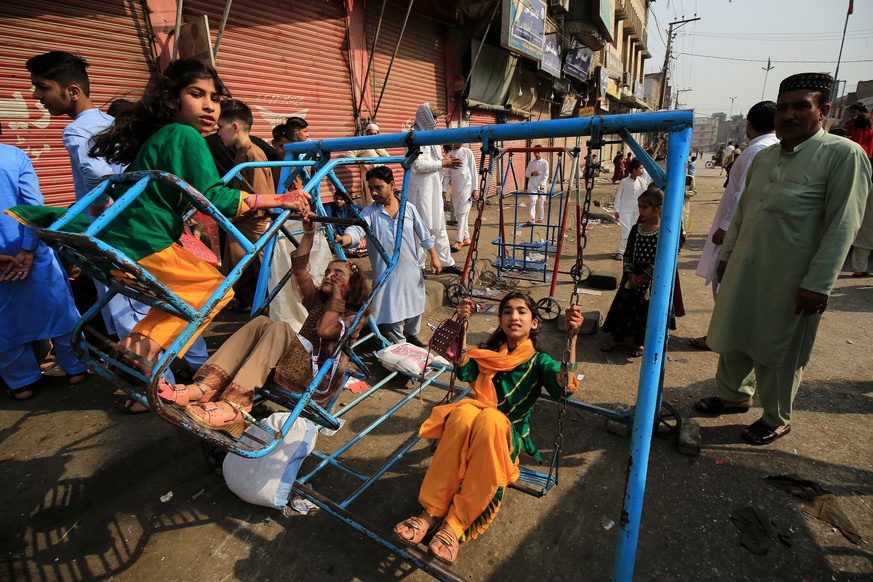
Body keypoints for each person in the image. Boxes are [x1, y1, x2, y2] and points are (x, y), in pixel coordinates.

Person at [6, 59, 311, 377]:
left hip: (134, 231)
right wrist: (280, 198)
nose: (209, 106)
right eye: (197, 94)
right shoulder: (184, 135)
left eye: (216, 99)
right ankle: (141, 350)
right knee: (215, 289)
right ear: (170, 100)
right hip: (144, 234)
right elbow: (214, 197)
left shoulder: (166, 135)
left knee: (185, 293)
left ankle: (142, 351)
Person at [695, 73, 871, 446]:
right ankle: (734, 396)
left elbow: (844, 225)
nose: (788, 114)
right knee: (734, 334)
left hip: (792, 279)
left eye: (800, 106)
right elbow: (742, 213)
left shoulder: (843, 156)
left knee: (780, 349)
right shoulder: (765, 157)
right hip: (745, 266)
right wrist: (727, 256)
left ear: (823, 111)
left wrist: (817, 284)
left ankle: (776, 417)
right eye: (783, 107)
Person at [26, 50, 209, 396]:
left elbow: (96, 174)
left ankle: (157, 388)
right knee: (170, 303)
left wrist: (102, 210)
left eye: (42, 88)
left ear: (72, 91)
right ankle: (200, 369)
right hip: (150, 230)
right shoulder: (111, 124)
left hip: (116, 235)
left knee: (127, 310)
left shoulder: (77, 130)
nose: (37, 97)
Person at [393, 292, 582, 565]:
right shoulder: (488, 355)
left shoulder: (540, 362)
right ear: (501, 320)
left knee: (488, 418)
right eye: (507, 311)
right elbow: (463, 369)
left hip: (509, 437)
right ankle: (432, 512)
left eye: (521, 312)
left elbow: (564, 390)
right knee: (464, 413)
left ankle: (455, 524)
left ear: (534, 324)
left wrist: (572, 338)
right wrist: (462, 325)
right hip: (475, 426)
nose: (513, 316)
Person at [162, 214, 371, 436]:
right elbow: (300, 269)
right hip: (295, 365)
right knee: (262, 321)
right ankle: (206, 385)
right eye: (328, 272)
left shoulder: (354, 317)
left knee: (281, 328)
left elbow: (324, 330)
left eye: (338, 275)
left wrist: (338, 295)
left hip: (317, 380)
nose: (329, 276)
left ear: (352, 284)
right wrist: (308, 233)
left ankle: (235, 405)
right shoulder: (320, 301)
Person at [0, 144, 89, 400]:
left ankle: (21, 384)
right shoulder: (13, 155)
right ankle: (77, 368)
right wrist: (28, 249)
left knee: (5, 322)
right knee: (58, 309)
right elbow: (34, 205)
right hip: (32, 250)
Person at [691, 101, 779, 350]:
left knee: (725, 283)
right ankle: (727, 335)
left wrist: (726, 227)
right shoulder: (773, 148)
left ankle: (723, 336)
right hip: (753, 230)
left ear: (749, 124)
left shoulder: (756, 151)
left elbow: (743, 194)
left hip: (738, 231)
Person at [336, 166, 439, 347]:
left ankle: (411, 334)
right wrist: (346, 238)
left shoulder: (408, 208)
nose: (374, 193)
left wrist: (435, 257)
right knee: (392, 309)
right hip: (386, 273)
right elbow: (357, 228)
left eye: (378, 187)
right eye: (370, 189)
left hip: (411, 269)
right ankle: (398, 344)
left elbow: (424, 234)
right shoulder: (369, 212)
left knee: (415, 304)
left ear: (392, 185)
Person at [216, 99, 274, 312]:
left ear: (235, 127)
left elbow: (260, 200)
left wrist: (233, 218)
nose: (219, 133)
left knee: (259, 279)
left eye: (220, 127)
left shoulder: (251, 154)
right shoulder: (242, 153)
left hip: (253, 228)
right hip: (243, 227)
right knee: (242, 277)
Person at [601, 186, 671, 357]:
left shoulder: (665, 233)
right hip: (632, 277)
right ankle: (618, 338)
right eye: (639, 206)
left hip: (651, 280)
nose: (640, 210)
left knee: (645, 312)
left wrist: (646, 275)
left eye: (644, 207)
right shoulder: (636, 229)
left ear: (658, 209)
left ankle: (641, 343)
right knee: (624, 308)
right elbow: (628, 253)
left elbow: (662, 258)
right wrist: (630, 274)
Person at [407, 103, 462, 276]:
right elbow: (417, 165)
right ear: (426, 118)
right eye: (435, 118)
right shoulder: (414, 137)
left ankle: (446, 262)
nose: (437, 121)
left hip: (434, 189)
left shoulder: (431, 139)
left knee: (439, 227)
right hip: (421, 191)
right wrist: (442, 163)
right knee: (422, 228)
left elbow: (435, 163)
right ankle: (420, 265)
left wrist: (445, 163)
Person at [442, 142, 478, 251]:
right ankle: (466, 238)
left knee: (462, 214)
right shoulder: (449, 156)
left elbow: (473, 171)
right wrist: (443, 190)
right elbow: (447, 175)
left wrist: (475, 189)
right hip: (456, 190)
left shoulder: (467, 152)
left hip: (467, 188)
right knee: (459, 214)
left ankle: (459, 241)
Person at [347, 122, 390, 205]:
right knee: (371, 201)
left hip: (381, 178)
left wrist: (377, 147)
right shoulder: (364, 144)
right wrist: (362, 163)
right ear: (367, 134)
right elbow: (349, 154)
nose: (373, 136)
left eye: (375, 134)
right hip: (369, 178)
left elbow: (387, 157)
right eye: (371, 134)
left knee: (383, 200)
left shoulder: (380, 146)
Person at [612, 159, 648, 260]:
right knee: (625, 231)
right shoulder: (624, 182)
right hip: (624, 210)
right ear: (634, 170)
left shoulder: (641, 181)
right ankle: (620, 251)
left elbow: (645, 194)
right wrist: (617, 209)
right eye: (640, 168)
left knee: (634, 231)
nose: (642, 170)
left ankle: (630, 251)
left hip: (636, 210)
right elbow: (618, 196)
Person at [524, 146, 549, 223]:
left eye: (538, 152)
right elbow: (526, 174)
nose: (536, 154)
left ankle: (541, 217)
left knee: (541, 201)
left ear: (542, 153)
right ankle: (532, 218)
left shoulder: (545, 163)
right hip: (532, 184)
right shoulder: (531, 162)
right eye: (535, 152)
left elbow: (546, 175)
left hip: (541, 185)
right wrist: (532, 173)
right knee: (532, 201)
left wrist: (543, 184)